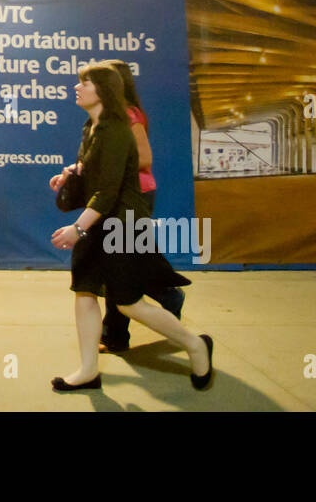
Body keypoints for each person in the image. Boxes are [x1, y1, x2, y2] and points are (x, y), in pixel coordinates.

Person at [48, 63, 209, 392]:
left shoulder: (118, 128)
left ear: (103, 90)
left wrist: (77, 229)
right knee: (84, 290)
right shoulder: (90, 128)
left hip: (124, 223)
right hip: (99, 221)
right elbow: (98, 169)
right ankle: (88, 370)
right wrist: (72, 172)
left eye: (85, 83)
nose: (77, 88)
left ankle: (195, 344)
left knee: (127, 302)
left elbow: (109, 192)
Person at [90, 59, 184, 354]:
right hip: (119, 197)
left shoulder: (129, 116)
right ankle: (164, 298)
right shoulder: (108, 117)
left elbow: (144, 158)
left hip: (135, 197)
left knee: (121, 266)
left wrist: (113, 162)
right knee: (123, 264)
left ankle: (120, 332)